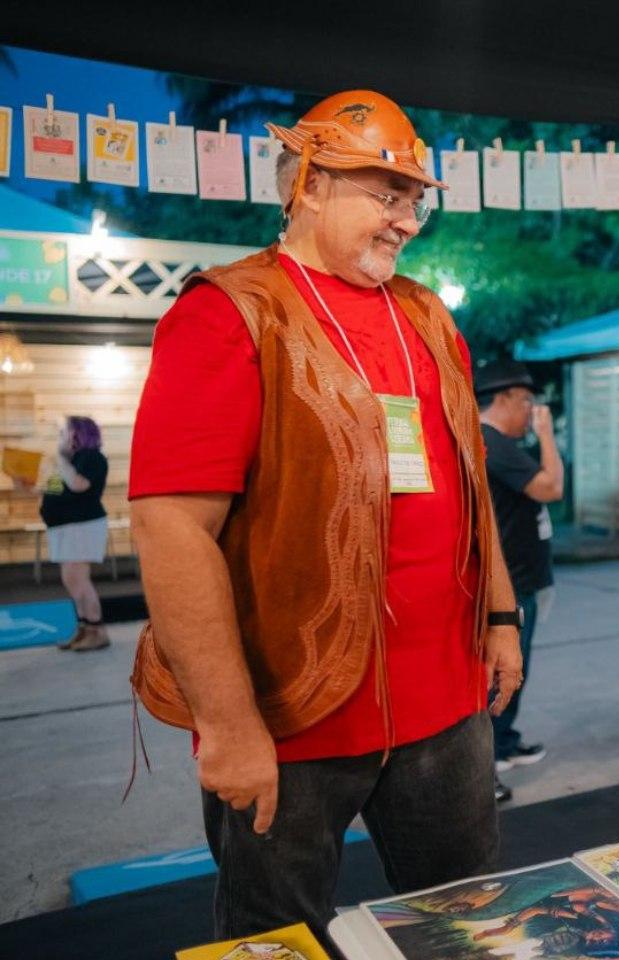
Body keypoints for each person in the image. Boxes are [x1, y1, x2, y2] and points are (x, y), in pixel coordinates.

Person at [127, 90, 523, 942]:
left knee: (461, 922)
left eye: (415, 200)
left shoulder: (426, 313)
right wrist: (229, 727)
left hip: (446, 703)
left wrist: (498, 611)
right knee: (278, 936)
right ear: (307, 183)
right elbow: (170, 527)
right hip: (288, 711)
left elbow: (470, 479)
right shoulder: (228, 311)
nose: (408, 220)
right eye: (387, 195)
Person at [476, 358, 564, 804]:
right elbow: (550, 487)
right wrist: (547, 436)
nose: (531, 411)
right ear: (505, 398)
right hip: (507, 584)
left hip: (523, 579)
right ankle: (482, 767)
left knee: (516, 669)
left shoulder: (502, 442)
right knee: (500, 673)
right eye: (526, 402)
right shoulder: (491, 440)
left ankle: (505, 744)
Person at [32, 416, 110, 651]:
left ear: (77, 434)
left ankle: (98, 631)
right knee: (71, 580)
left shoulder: (93, 457)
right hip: (65, 527)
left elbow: (79, 485)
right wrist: (23, 482)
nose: (59, 439)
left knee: (79, 579)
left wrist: (59, 459)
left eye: (63, 433)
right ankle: (84, 627)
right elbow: (52, 490)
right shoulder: (70, 461)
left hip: (82, 525)